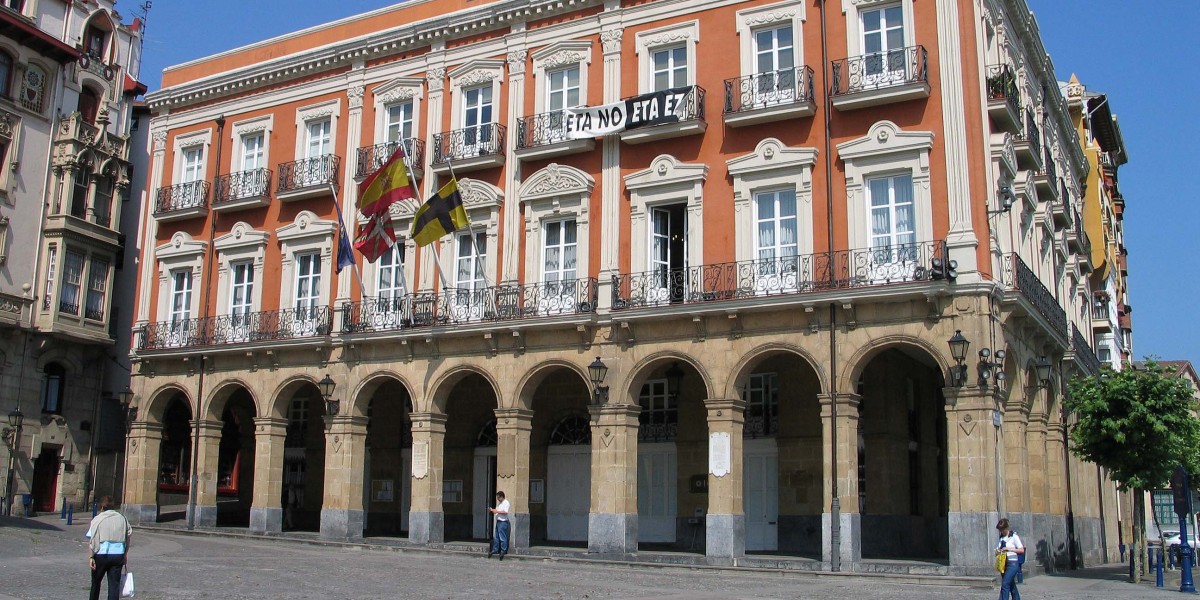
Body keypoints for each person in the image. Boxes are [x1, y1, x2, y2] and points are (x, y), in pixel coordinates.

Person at [86, 496, 132, 600]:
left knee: (96, 583)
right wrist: (125, 554)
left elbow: (92, 540)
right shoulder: (122, 519)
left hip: (101, 554)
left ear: (102, 507)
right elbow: (128, 537)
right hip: (117, 554)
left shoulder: (97, 519)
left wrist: (91, 557)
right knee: (114, 586)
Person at [995, 518, 1025, 600]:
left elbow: (1021, 550)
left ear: (1006, 528)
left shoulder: (1014, 537)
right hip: (1003, 564)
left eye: (1002, 530)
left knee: (1005, 584)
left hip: (1012, 564)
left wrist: (1009, 549)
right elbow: (997, 550)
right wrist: (998, 551)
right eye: (1000, 530)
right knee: (1011, 585)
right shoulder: (1001, 538)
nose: (1001, 532)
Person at [487, 490, 510, 560]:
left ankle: (503, 551)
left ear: (502, 497)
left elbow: (505, 512)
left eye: (498, 498)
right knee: (496, 537)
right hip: (498, 522)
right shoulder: (499, 503)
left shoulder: (506, 503)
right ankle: (495, 550)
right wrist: (492, 510)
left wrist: (497, 511)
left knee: (502, 537)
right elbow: (497, 511)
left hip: (503, 522)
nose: (497, 499)